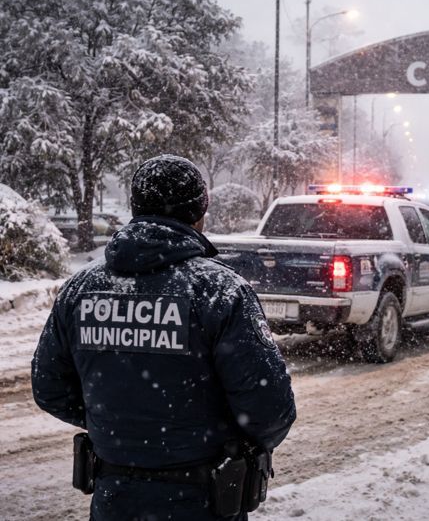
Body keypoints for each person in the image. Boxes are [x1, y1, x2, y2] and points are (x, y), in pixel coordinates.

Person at [31, 155, 297, 520]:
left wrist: (118, 425)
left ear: (134, 206)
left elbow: (50, 388)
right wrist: (198, 436)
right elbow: (270, 409)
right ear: (201, 211)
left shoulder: (83, 289)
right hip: (202, 499)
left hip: (115, 497)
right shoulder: (220, 290)